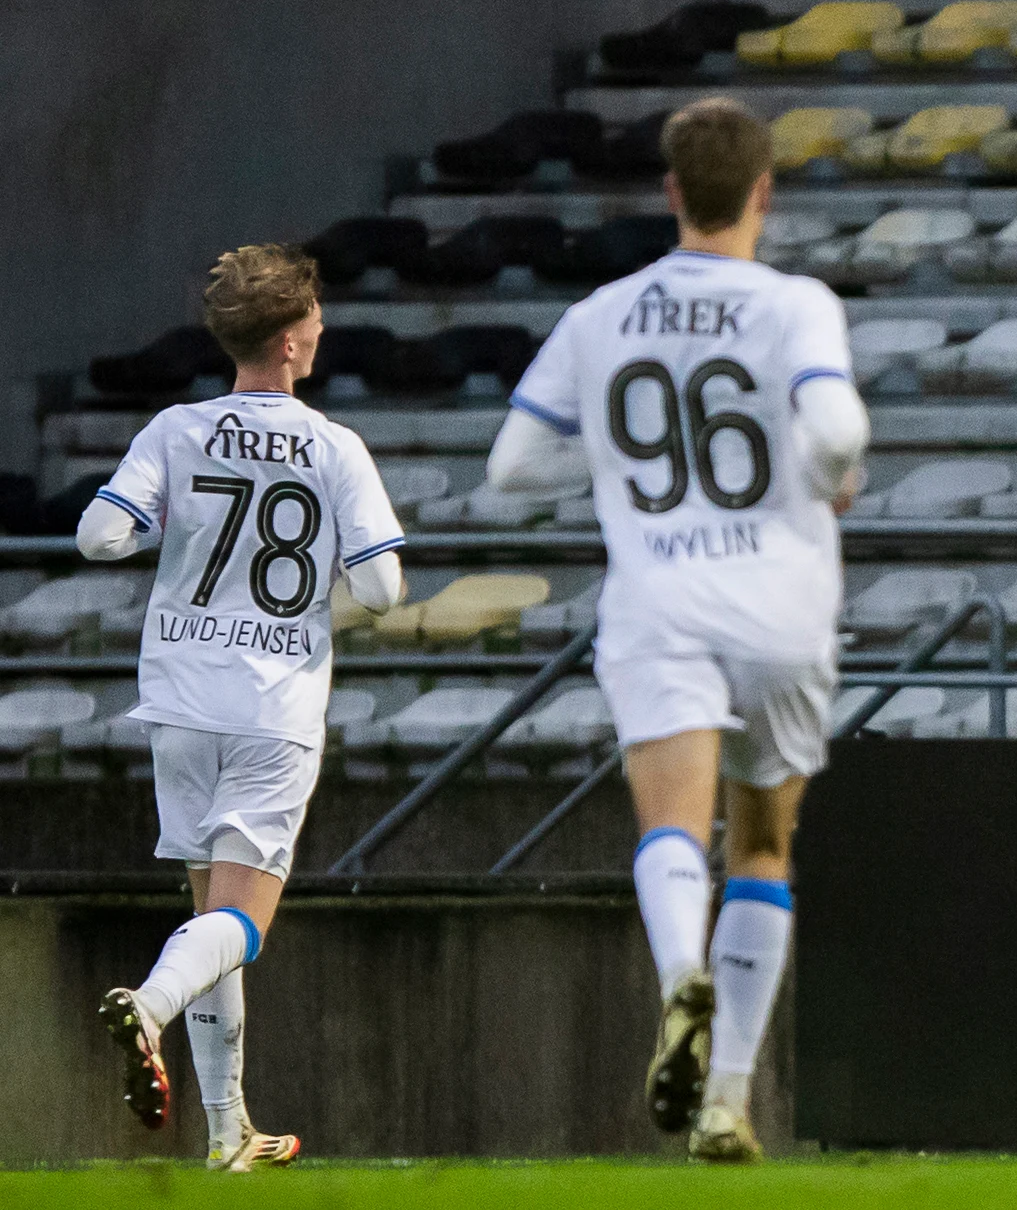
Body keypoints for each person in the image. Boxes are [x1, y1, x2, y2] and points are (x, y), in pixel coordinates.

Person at [483, 97, 868, 1162]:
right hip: (783, 603)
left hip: (657, 600)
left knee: (670, 830)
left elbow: (511, 467)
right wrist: (824, 474)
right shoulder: (795, 302)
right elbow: (836, 426)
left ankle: (675, 978)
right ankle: (725, 1097)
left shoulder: (603, 312)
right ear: (763, 192)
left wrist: (611, 465)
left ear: (668, 193)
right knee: (761, 842)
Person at [84, 245, 406, 1171]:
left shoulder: (176, 429)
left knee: (209, 919)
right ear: (295, 340)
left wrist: (167, 533)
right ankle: (148, 1004)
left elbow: (100, 533)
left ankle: (228, 1132)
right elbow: (382, 589)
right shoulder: (336, 447)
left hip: (179, 699)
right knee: (243, 923)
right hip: (272, 703)